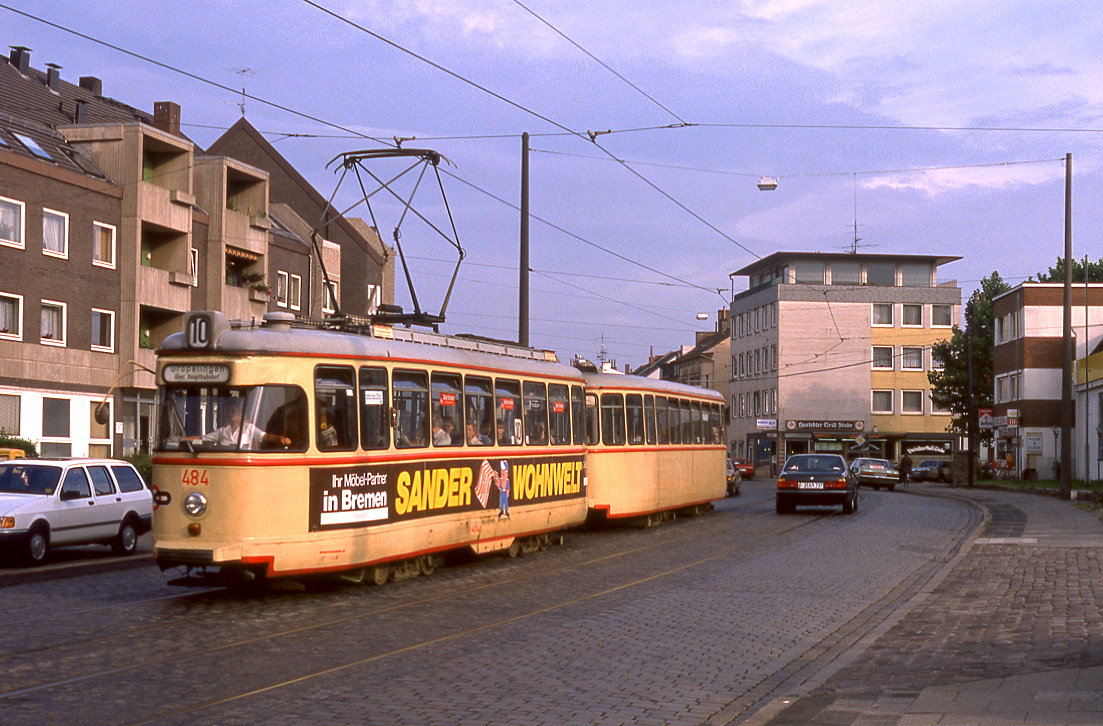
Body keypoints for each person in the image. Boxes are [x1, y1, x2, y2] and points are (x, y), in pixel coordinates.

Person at [187, 399, 290, 450]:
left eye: (233, 411)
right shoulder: (223, 431)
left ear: (240, 412)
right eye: (228, 411)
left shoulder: (248, 428)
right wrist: (185, 439)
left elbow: (264, 436)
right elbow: (203, 438)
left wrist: (280, 439)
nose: (230, 413)